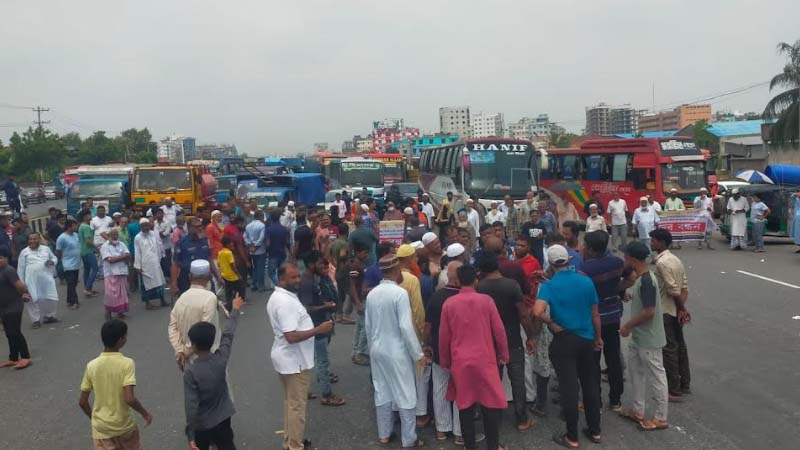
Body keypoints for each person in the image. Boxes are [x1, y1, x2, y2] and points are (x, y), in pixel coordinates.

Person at [533, 245, 602, 448]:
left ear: (551, 264)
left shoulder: (550, 286)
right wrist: (598, 338)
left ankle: (572, 436)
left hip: (564, 340)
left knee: (569, 387)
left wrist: (552, 323)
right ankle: (595, 430)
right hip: (587, 338)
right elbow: (595, 314)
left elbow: (537, 312)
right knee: (590, 384)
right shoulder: (585, 281)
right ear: (569, 260)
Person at [440, 265, 509, 450]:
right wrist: (504, 353)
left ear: (458, 281)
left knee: (465, 405)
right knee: (490, 404)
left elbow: (444, 336)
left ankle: (469, 446)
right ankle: (492, 445)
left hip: (461, 362)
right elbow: (499, 330)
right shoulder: (486, 301)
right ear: (476, 279)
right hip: (485, 360)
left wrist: (446, 361)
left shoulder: (449, 304)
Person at [267, 263, 334, 450]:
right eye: (293, 277)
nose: (297, 280)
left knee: (291, 404)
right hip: (293, 361)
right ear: (282, 279)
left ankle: (291, 441)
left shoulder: (281, 297)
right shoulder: (285, 302)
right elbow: (291, 336)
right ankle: (295, 445)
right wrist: (318, 329)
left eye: (298, 276)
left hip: (288, 359)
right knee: (297, 407)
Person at [364, 254, 425, 447]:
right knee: (406, 393)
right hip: (397, 351)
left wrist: (372, 348)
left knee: (382, 391)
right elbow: (406, 327)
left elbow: (368, 326)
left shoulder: (372, 294)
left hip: (377, 349)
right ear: (395, 271)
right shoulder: (399, 294)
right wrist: (418, 354)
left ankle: (384, 433)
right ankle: (409, 439)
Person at [475, 251, 536, 431]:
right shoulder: (512, 286)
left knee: (493, 380)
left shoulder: (480, 288)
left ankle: (494, 417)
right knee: (518, 380)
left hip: (489, 341)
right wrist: (531, 337)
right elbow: (523, 315)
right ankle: (522, 418)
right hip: (513, 339)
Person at [79, 319, 153, 449]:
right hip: (124, 426)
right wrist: (145, 413)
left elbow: (83, 402)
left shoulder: (92, 366)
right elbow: (129, 398)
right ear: (120, 340)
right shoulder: (126, 363)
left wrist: (95, 420)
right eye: (125, 335)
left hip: (102, 430)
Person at [619, 240, 669, 431]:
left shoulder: (647, 280)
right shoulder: (642, 278)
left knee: (656, 376)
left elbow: (648, 311)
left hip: (649, 338)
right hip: (640, 337)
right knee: (636, 373)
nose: (624, 259)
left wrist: (628, 326)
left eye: (625, 256)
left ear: (632, 259)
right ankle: (638, 410)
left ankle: (660, 417)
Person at [184, 293, 243, 450]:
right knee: (227, 445)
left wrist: (191, 435)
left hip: (202, 425)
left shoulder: (190, 371)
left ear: (194, 345)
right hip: (223, 417)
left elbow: (191, 405)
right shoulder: (220, 359)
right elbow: (228, 335)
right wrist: (235, 310)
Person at [423, 261, 471, 444]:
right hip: (462, 352)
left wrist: (426, 344)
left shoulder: (436, 297)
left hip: (439, 351)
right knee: (461, 390)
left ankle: (442, 430)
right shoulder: (467, 298)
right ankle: (460, 433)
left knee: (440, 388)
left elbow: (428, 326)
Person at [579, 230, 625, 411]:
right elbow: (629, 277)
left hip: (593, 319)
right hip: (613, 316)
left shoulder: (585, 270)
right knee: (613, 358)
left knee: (592, 362)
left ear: (590, 249)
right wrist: (616, 290)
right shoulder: (617, 263)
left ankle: (594, 400)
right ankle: (615, 400)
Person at [298, 251, 345, 407]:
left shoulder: (314, 279)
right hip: (316, 326)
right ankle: (326, 394)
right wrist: (325, 306)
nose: (324, 266)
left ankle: (304, 390)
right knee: (322, 360)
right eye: (320, 263)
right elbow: (307, 308)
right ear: (312, 265)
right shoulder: (307, 282)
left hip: (318, 324)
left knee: (312, 359)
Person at [649, 229, 691, 401]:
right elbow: (684, 287)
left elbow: (673, 290)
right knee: (679, 346)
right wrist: (681, 308)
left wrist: (681, 308)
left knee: (669, 349)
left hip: (666, 309)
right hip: (674, 308)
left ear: (662, 243)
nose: (652, 243)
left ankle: (674, 389)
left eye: (654, 240)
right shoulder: (675, 260)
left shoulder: (662, 263)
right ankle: (684, 383)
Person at [169, 260, 221, 371]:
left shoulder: (181, 299)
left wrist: (180, 351)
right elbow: (204, 331)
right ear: (209, 277)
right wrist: (186, 351)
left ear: (190, 277)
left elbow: (173, 328)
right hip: (208, 357)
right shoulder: (210, 298)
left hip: (188, 361)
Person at [18, 233, 59, 329]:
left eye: (34, 239)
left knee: (51, 298)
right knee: (32, 300)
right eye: (30, 239)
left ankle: (49, 316)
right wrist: (22, 284)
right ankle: (35, 320)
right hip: (31, 281)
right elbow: (20, 269)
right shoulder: (24, 252)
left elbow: (54, 257)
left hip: (46, 279)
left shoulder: (46, 249)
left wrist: (52, 261)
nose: (32, 241)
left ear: (39, 240)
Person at [0, 249, 32, 369]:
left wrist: (24, 293)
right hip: (3, 307)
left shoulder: (9, 270)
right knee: (9, 333)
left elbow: (20, 285)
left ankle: (25, 357)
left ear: (6, 258)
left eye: (1, 257)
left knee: (15, 331)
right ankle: (13, 358)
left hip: (14, 306)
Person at [173, 218, 216, 296]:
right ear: (190, 228)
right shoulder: (182, 243)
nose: (199, 229)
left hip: (205, 277)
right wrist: (174, 284)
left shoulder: (205, 240)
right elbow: (175, 264)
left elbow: (209, 258)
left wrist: (217, 276)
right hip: (188, 278)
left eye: (200, 226)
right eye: (196, 227)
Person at [134, 218, 167, 309]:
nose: (146, 227)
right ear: (141, 227)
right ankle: (147, 304)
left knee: (159, 281)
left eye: (147, 225)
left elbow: (158, 245)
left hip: (155, 262)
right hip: (145, 264)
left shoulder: (153, 234)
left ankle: (162, 300)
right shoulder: (138, 237)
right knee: (146, 284)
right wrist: (137, 266)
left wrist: (161, 256)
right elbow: (137, 252)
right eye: (144, 225)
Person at [100, 228, 131, 321]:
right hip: (110, 273)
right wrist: (123, 257)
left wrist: (120, 257)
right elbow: (110, 260)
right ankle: (108, 313)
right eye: (113, 235)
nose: (115, 236)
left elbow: (128, 256)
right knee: (111, 295)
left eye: (116, 234)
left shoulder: (121, 244)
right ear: (109, 236)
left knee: (122, 294)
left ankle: (120, 313)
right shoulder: (105, 246)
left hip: (122, 272)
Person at [57, 219, 81, 310]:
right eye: (74, 226)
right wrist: (61, 261)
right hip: (68, 264)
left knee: (73, 283)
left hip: (76, 263)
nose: (76, 227)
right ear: (69, 227)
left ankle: (69, 300)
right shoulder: (62, 238)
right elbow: (58, 251)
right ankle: (75, 301)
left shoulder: (76, 235)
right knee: (71, 283)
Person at [219, 236, 245, 311]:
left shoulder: (220, 252)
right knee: (239, 290)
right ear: (227, 244)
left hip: (225, 275)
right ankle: (234, 305)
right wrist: (238, 275)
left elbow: (219, 264)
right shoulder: (229, 253)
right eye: (231, 243)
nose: (232, 244)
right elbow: (232, 266)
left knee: (228, 292)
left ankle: (228, 306)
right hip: (232, 276)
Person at [266, 209, 290, 288]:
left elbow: (268, 243)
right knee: (281, 272)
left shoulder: (269, 229)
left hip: (273, 254)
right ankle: (284, 285)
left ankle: (280, 286)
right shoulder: (284, 229)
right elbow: (287, 242)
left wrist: (266, 251)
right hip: (282, 253)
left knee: (271, 273)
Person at [244, 210, 266, 291]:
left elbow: (245, 237)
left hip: (251, 251)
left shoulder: (248, 225)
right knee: (260, 268)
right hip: (260, 250)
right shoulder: (262, 225)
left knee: (255, 268)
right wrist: (256, 246)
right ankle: (261, 286)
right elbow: (261, 238)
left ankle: (254, 284)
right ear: (261, 216)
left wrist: (250, 245)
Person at [78, 213, 99, 297]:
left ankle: (88, 289)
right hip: (88, 251)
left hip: (83, 251)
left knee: (87, 270)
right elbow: (88, 241)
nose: (91, 216)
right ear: (85, 217)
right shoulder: (86, 227)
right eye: (89, 215)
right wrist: (96, 248)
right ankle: (87, 288)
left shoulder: (81, 226)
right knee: (95, 268)